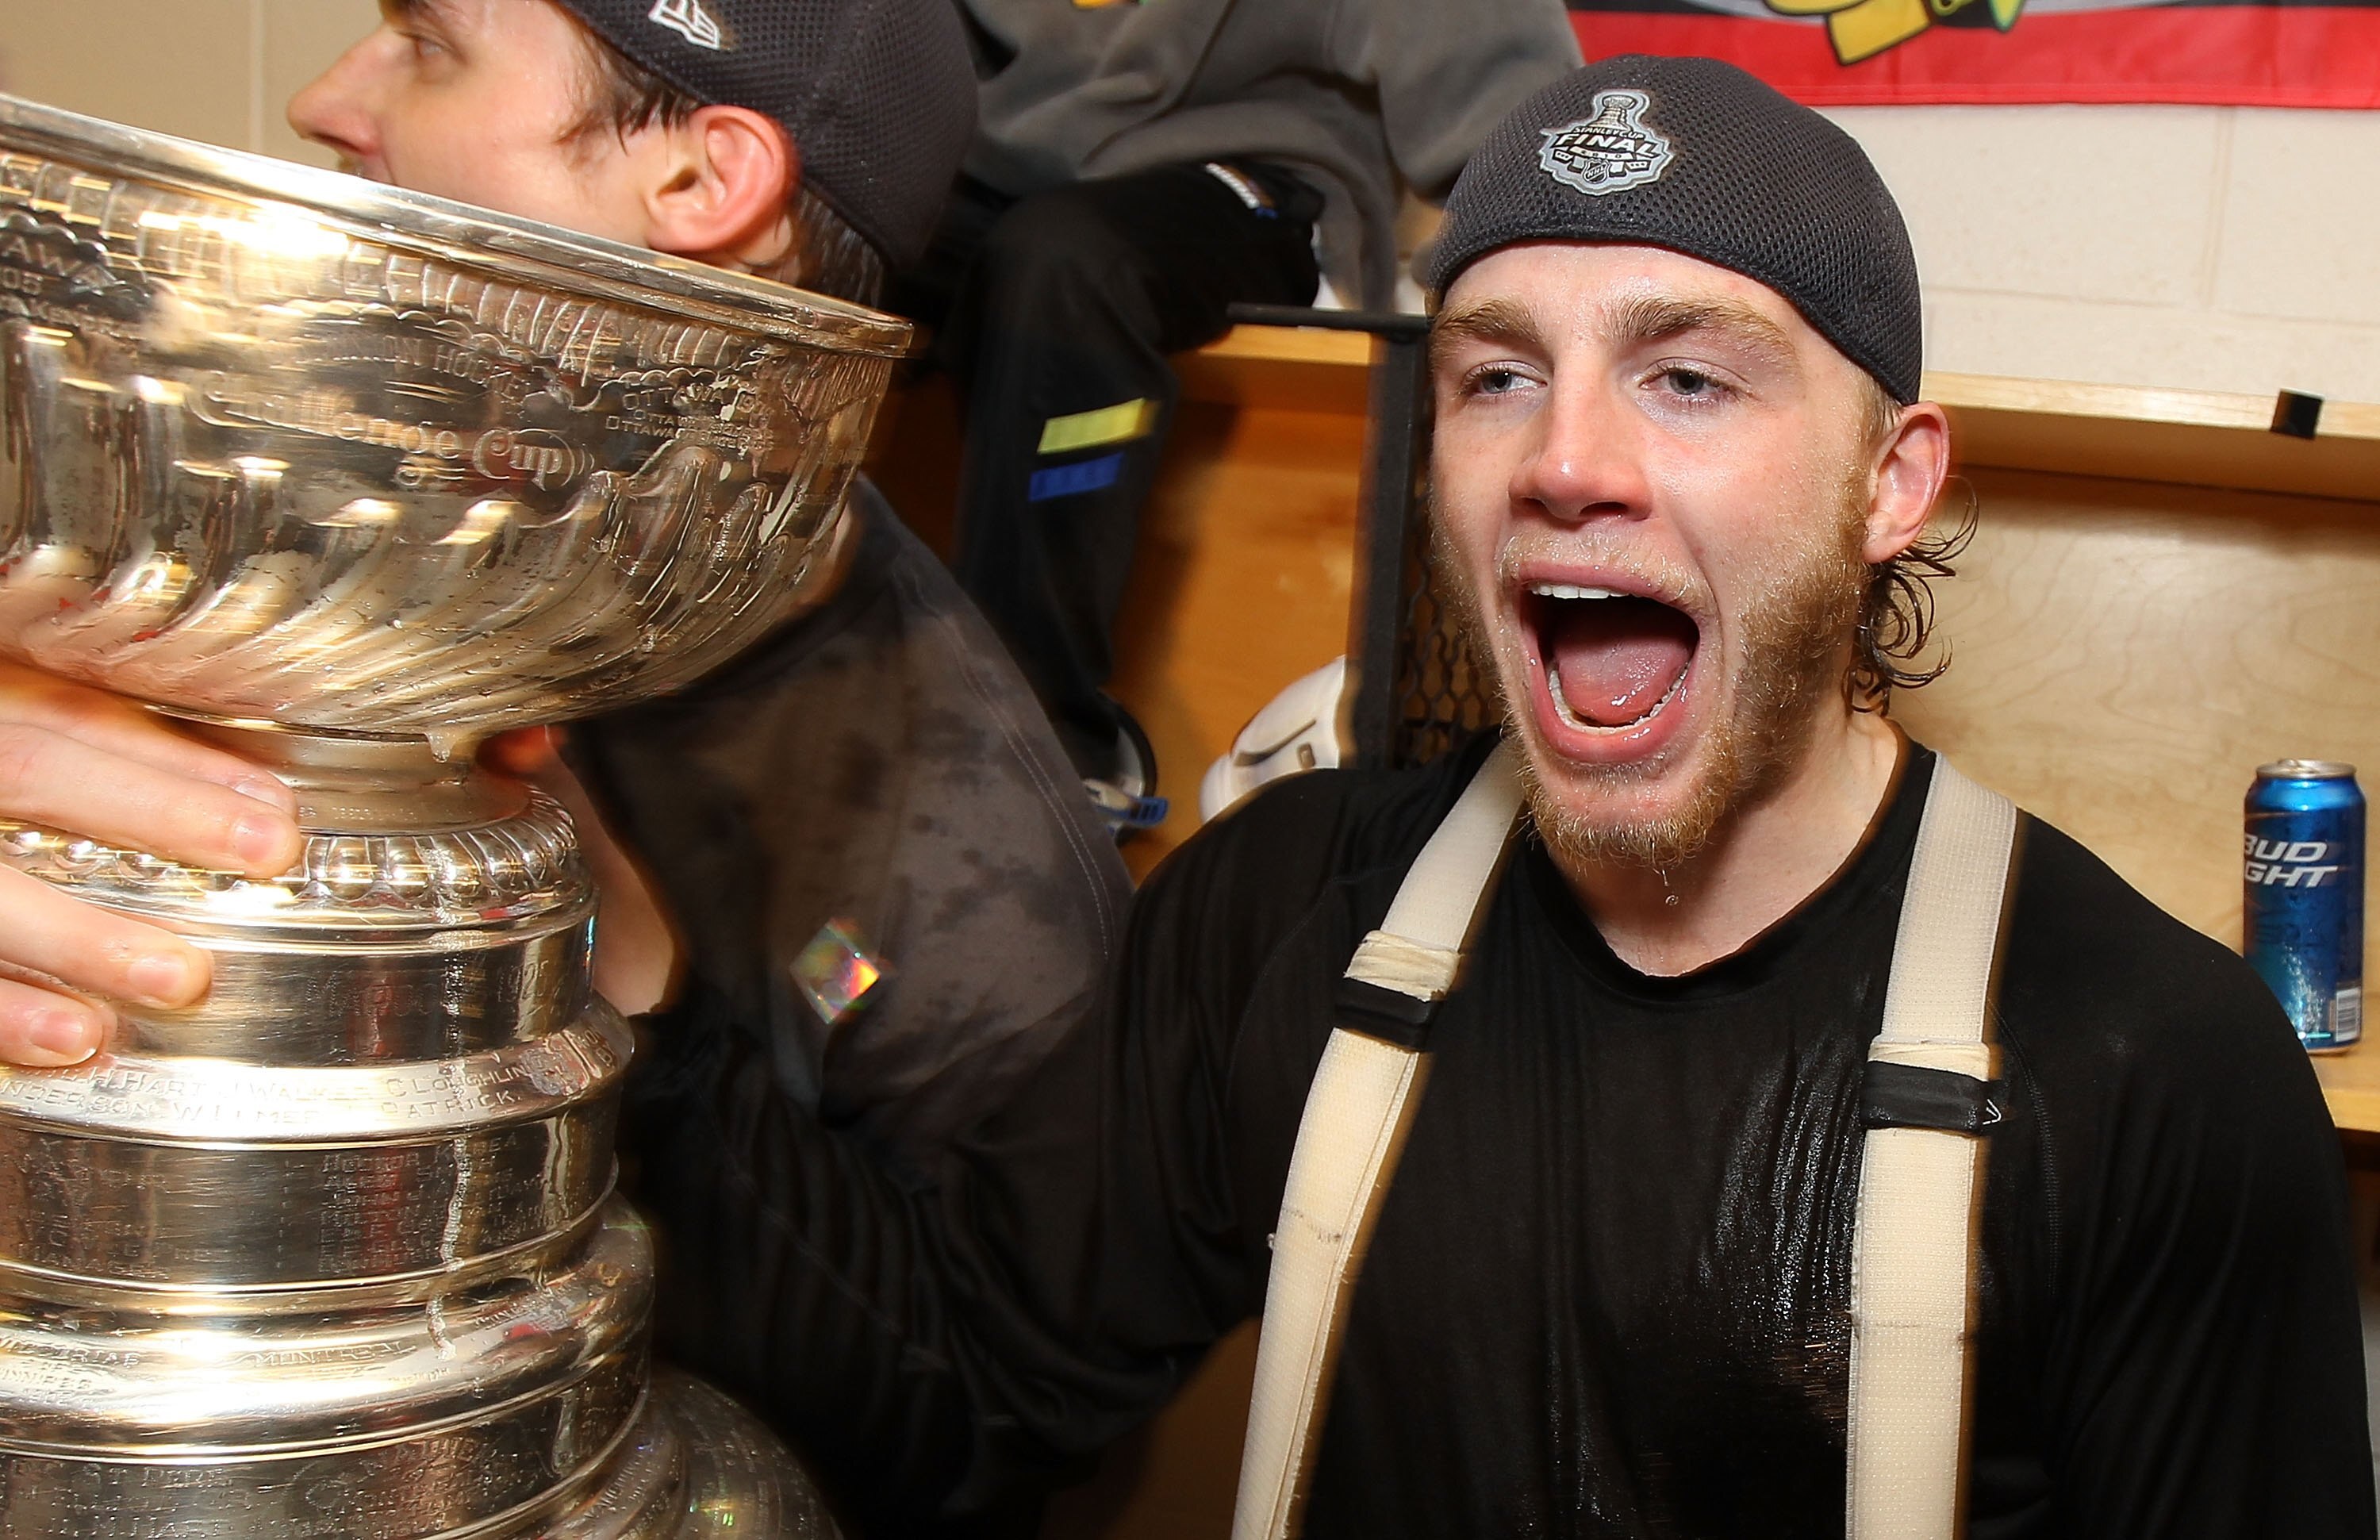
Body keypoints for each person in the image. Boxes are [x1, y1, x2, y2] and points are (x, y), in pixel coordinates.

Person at [4, 49, 2372, 1540]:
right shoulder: (1290, 918)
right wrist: (618, 956)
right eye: (1492, 376)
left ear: (1891, 482)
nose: (1564, 462)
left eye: (1689, 378)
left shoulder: (2147, 1074)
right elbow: (944, 1399)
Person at [0, 0, 1130, 1190]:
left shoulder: (977, 906)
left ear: (703, 181)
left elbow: (974, 1366)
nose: (322, 102)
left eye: (430, 44)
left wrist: (616, 975)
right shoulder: (199, 511)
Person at [902, 0, 1582, 823]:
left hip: (1247, 175)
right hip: (968, 170)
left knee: (1060, 264)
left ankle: (1027, 756)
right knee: (819, 249)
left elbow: (1531, 142)